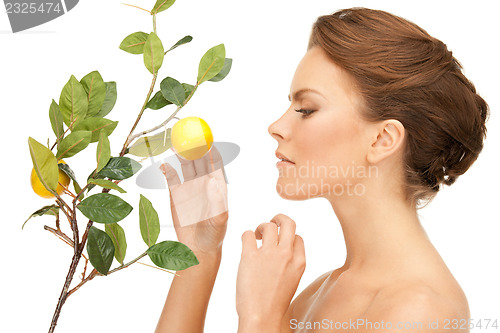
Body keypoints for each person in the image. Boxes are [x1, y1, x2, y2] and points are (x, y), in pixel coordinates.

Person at [155, 7, 489, 333]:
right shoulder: (322, 293)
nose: (276, 126)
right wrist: (198, 255)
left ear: (382, 140)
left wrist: (261, 320)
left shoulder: (420, 313)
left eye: (306, 108)